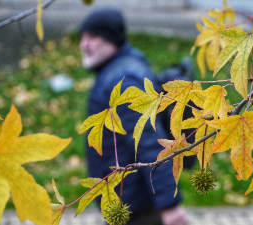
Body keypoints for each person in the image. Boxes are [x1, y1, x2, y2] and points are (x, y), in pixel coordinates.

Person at [80, 8, 189, 225]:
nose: (84, 45)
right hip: (127, 201)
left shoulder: (124, 79)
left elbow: (149, 142)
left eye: (93, 37)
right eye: (82, 37)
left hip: (137, 207)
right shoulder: (116, 71)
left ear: (112, 39)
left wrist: (169, 206)